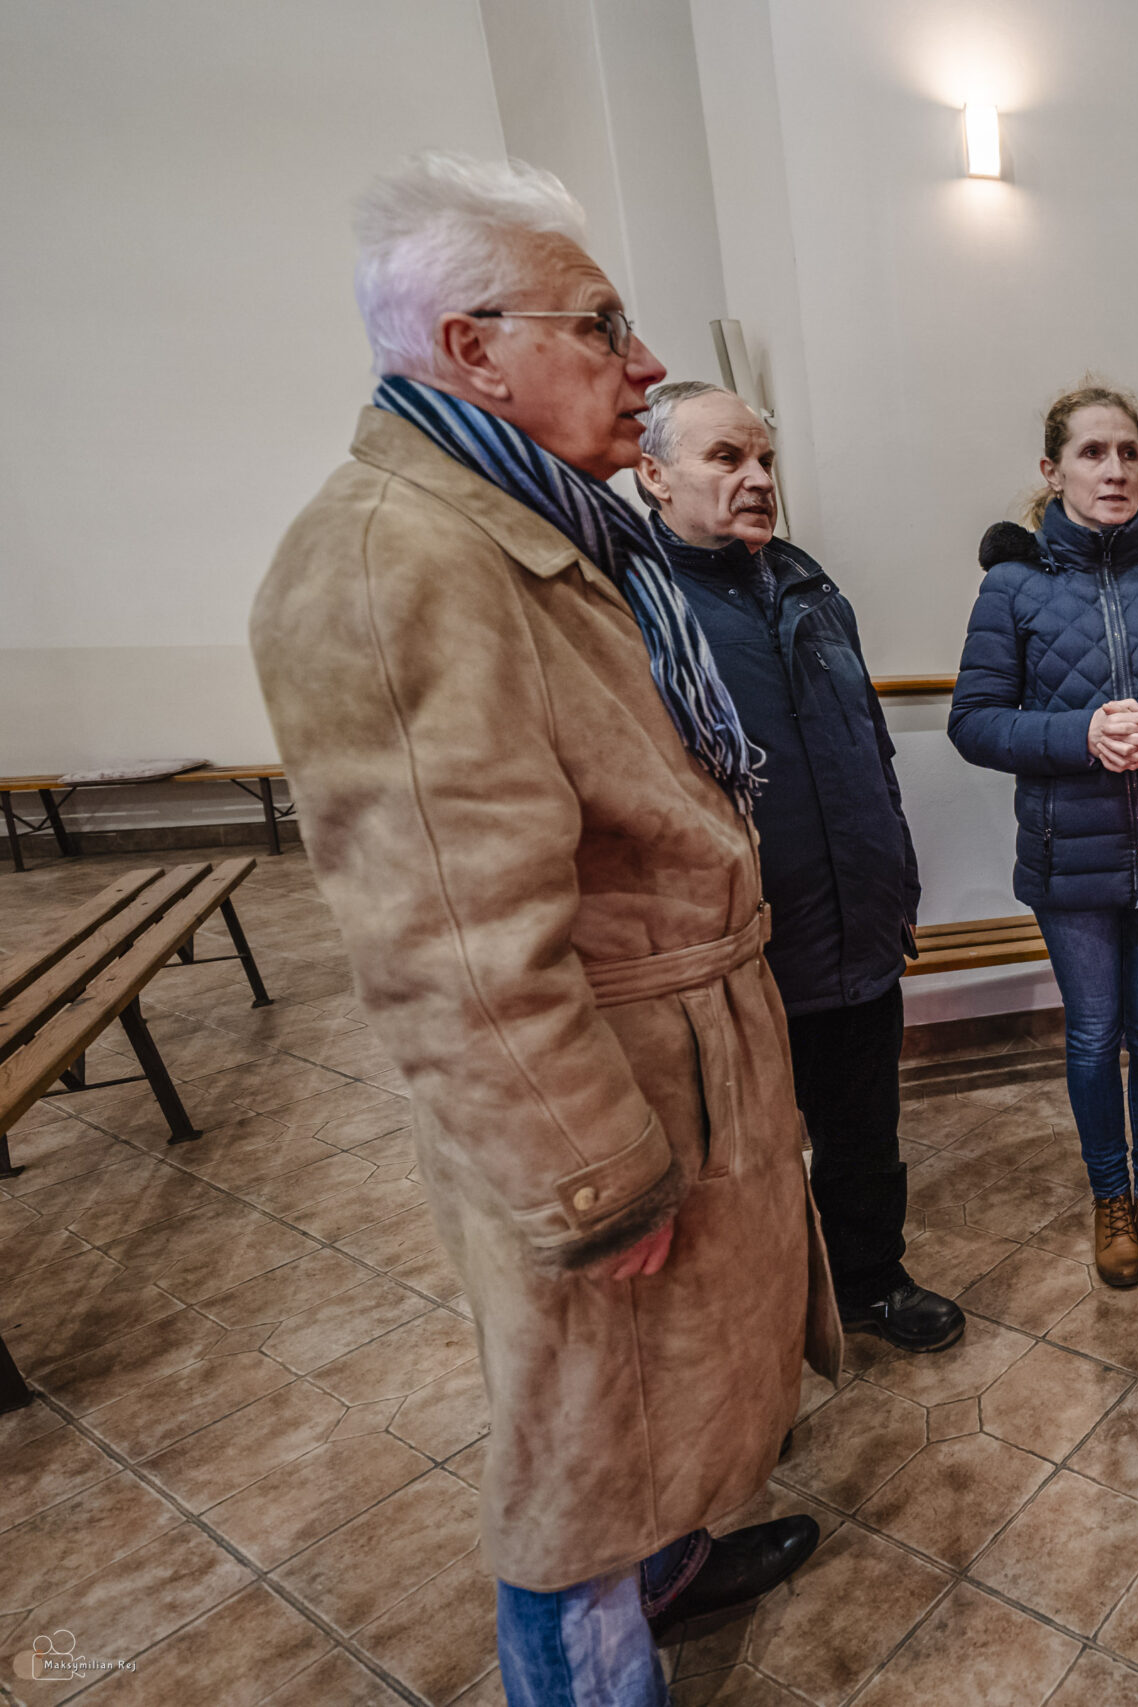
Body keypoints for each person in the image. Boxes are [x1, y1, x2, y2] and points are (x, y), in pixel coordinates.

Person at [252, 154, 835, 1706]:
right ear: (471, 348)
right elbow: (450, 942)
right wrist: (591, 1178)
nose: (645, 365)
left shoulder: (538, 520)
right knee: (584, 1442)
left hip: (672, 1040)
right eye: (602, 326)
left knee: (652, 1410)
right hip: (597, 1088)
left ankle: (671, 1564)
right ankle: (592, 1655)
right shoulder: (396, 556)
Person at [638, 380, 962, 1355]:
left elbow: (866, 745)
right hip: (735, 944)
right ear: (653, 475)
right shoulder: (632, 605)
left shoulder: (811, 591)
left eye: (765, 459)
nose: (757, 478)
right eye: (725, 457)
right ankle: (762, 1330)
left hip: (853, 922)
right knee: (744, 1160)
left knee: (864, 1132)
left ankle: (869, 1281)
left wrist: (893, 877)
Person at [950, 382, 1138, 1293]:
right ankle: (1109, 1198)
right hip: (1068, 849)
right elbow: (976, 721)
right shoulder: (1011, 586)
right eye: (1092, 452)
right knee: (1093, 1034)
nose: (1114, 469)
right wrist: (1081, 734)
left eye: (1127, 451)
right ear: (1052, 471)